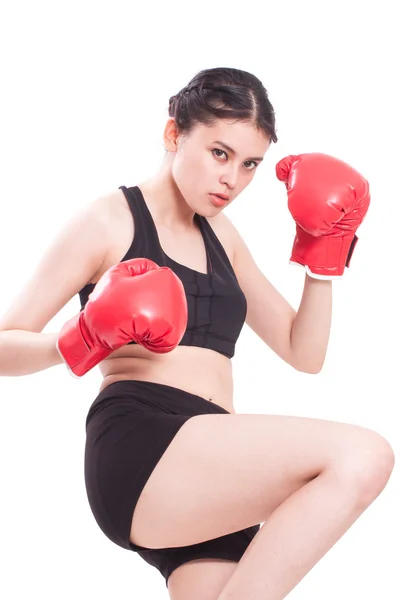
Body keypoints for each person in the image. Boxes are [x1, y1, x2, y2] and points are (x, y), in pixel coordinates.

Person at [0, 66, 394, 600]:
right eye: (220, 153)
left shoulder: (224, 239)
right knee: (362, 455)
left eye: (250, 164)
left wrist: (322, 256)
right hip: (144, 443)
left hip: (214, 470)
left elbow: (305, 352)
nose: (233, 179)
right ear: (173, 135)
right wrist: (81, 335)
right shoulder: (108, 222)